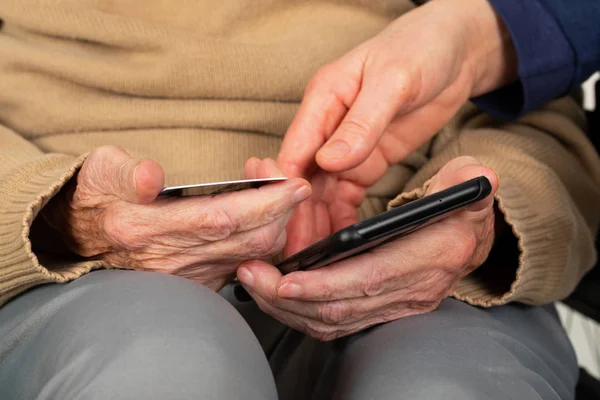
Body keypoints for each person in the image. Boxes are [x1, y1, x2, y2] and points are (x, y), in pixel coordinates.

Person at [0, 1, 598, 400]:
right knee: (163, 365)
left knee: (446, 387)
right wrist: (58, 216)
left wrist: (481, 227)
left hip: (423, 270)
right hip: (67, 268)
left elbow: (537, 97)